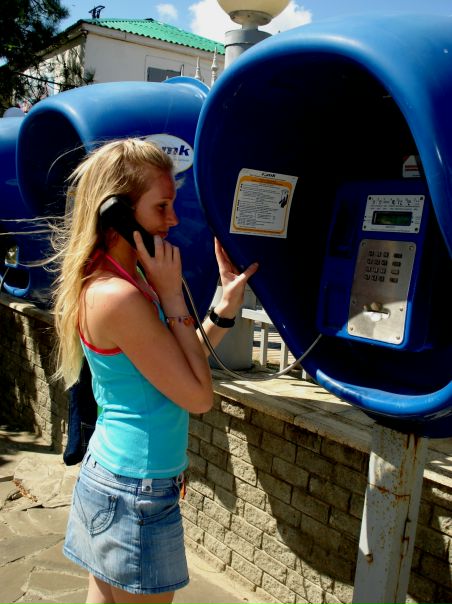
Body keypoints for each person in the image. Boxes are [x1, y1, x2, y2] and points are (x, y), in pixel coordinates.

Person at [52, 137, 258, 604]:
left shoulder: (126, 280)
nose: (174, 220)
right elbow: (198, 397)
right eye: (161, 207)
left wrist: (222, 312)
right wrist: (171, 296)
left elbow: (176, 368)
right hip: (133, 491)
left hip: (117, 479)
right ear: (116, 213)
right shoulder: (118, 296)